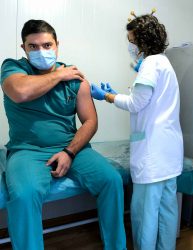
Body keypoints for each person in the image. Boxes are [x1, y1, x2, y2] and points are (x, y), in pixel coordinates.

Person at [0, 19, 126, 250]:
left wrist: (69, 151)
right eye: (33, 46)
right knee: (25, 194)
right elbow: (20, 92)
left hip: (72, 147)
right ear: (23, 48)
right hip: (27, 150)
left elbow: (90, 121)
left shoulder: (76, 81)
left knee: (112, 180)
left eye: (47, 45)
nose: (41, 51)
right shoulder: (13, 68)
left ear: (57, 45)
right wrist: (59, 75)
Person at [91, 11, 183, 250]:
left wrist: (108, 96)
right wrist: (126, 92)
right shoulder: (164, 62)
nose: (131, 46)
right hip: (169, 152)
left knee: (145, 213)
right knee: (167, 210)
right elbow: (146, 100)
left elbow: (136, 103)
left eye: (132, 40)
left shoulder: (151, 64)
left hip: (153, 153)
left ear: (143, 40)